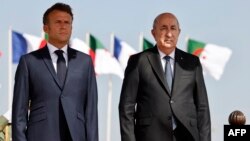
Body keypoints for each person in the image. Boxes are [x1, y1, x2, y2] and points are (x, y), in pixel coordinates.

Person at [12, 3, 98, 141]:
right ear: (46, 28)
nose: (63, 26)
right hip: (40, 136)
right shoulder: (29, 62)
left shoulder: (85, 62)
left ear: (71, 27)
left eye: (67, 22)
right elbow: (19, 114)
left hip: (76, 136)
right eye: (58, 22)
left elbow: (91, 112)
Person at [119, 12, 211, 141]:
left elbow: (203, 107)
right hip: (150, 136)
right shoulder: (139, 61)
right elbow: (126, 107)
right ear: (153, 33)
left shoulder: (192, 62)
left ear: (179, 32)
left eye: (173, 28)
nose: (169, 34)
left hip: (187, 135)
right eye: (163, 28)